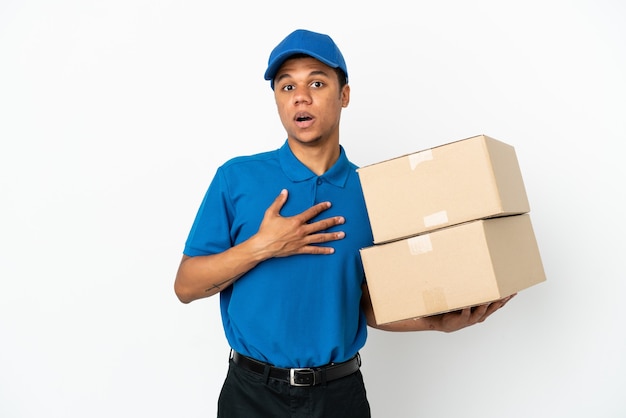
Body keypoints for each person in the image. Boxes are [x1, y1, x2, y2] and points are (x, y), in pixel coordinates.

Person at [174, 29, 515, 418]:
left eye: (316, 82)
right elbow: (186, 286)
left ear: (344, 95)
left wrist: (435, 322)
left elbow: (366, 304)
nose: (300, 96)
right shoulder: (237, 178)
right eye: (286, 87)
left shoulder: (375, 192)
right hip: (250, 396)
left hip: (339, 397)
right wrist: (265, 245)